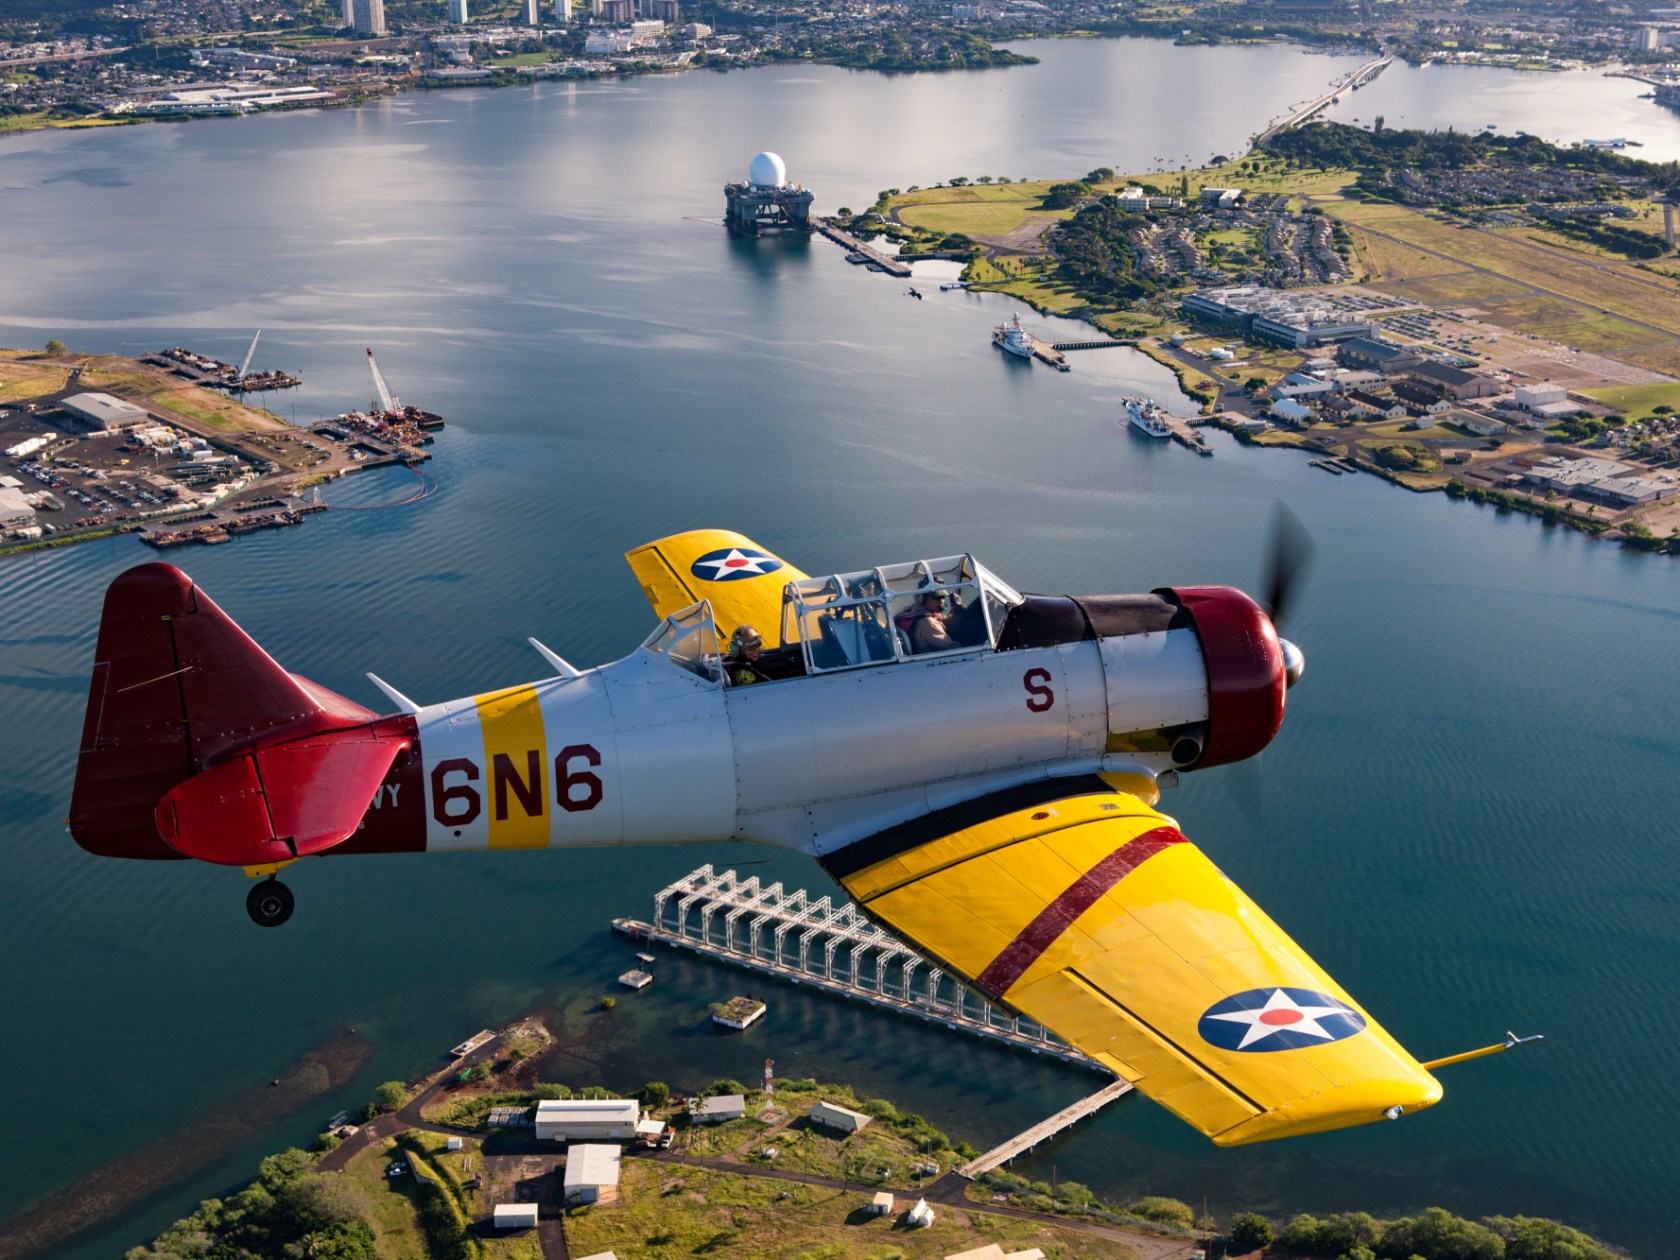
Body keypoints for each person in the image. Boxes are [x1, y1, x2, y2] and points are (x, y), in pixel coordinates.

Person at [895, 590, 954, 654]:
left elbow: (946, 621)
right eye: (937, 598)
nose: (941, 601)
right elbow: (952, 648)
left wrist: (958, 610)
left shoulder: (910, 611)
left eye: (943, 597)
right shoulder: (928, 623)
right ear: (922, 599)